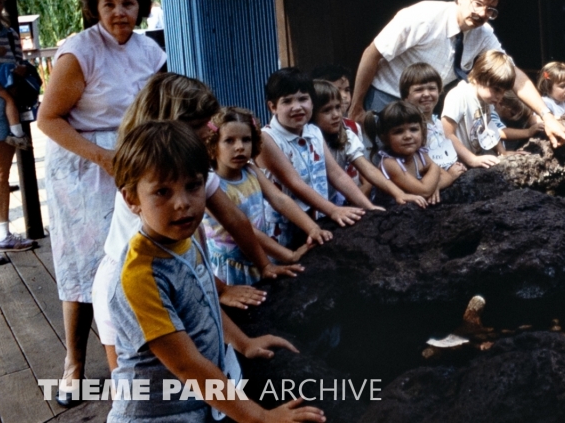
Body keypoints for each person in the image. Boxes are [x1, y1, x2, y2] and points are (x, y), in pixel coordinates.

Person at [107, 120, 325, 423]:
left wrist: (243, 342)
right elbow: (187, 366)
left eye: (193, 186)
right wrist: (259, 417)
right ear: (131, 199)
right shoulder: (140, 276)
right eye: (162, 192)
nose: (182, 203)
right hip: (157, 414)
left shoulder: (185, 240)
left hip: (198, 404)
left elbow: (205, 302)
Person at [92, 73, 307, 378]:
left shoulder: (193, 175)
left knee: (194, 370)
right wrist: (220, 289)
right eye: (197, 127)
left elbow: (233, 219)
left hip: (179, 268)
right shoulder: (151, 183)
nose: (208, 132)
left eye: (207, 125)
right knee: (135, 378)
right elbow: (191, 269)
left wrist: (263, 266)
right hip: (130, 279)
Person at [37, 0, 166, 403]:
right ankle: (74, 363)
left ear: (140, 6)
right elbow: (47, 119)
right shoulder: (80, 51)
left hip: (133, 159)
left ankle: (137, 350)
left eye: (127, 3)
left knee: (134, 252)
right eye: (108, 4)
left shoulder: (149, 50)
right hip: (83, 164)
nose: (119, 13)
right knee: (85, 263)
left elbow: (155, 107)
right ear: (95, 7)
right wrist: (103, 157)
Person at [348, 0, 565, 147]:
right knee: (381, 161)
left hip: (427, 106)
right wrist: (356, 106)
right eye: (478, 3)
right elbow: (372, 53)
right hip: (387, 98)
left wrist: (546, 115)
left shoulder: (483, 33)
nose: (483, 14)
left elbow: (513, 73)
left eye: (491, 10)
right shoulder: (422, 16)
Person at [204, 107, 330, 285]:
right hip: (231, 269)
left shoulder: (250, 170)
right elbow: (245, 229)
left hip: (260, 257)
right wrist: (289, 255)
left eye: (246, 140)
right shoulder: (211, 185)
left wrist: (312, 228)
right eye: (229, 141)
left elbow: (280, 199)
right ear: (213, 143)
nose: (239, 147)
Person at [257, 68, 378, 247]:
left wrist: (369, 208)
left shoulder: (313, 131)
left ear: (312, 102)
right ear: (272, 107)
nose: (297, 106)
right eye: (287, 101)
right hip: (282, 230)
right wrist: (334, 210)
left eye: (303, 99)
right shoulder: (267, 138)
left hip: (317, 221)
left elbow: (337, 174)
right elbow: (295, 183)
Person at [313, 79, 430, 205]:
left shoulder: (346, 136)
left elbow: (369, 169)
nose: (336, 114)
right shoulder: (305, 142)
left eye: (337, 107)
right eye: (327, 110)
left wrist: (399, 194)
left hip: (331, 205)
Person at [0, 0, 34, 266]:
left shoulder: (8, 33)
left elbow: (20, 61)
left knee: (0, 173)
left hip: (3, 107)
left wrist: (19, 72)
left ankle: (2, 233)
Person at [441, 49, 513, 166]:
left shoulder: (486, 99)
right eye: (496, 90)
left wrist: (502, 152)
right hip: (457, 163)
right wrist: (472, 159)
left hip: (475, 158)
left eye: (503, 92)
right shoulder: (459, 95)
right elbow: (447, 133)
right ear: (478, 78)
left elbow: (490, 127)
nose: (499, 97)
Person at [399, 64, 467, 186]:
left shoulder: (439, 123)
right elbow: (416, 165)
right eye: (419, 90)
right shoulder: (410, 129)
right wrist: (449, 176)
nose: (426, 94)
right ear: (406, 97)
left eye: (431, 88)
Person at [364, 101, 441, 206]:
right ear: (385, 138)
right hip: (390, 215)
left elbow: (448, 177)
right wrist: (435, 168)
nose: (408, 136)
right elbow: (424, 190)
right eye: (398, 131)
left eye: (413, 129)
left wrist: (436, 186)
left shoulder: (420, 155)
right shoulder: (390, 163)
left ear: (423, 131)